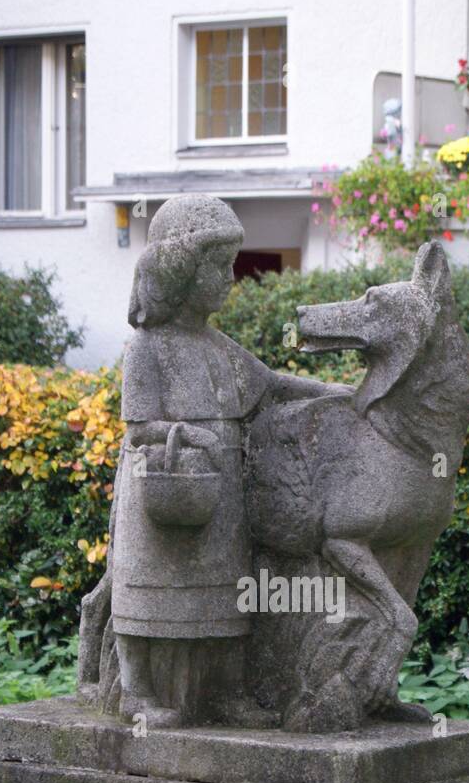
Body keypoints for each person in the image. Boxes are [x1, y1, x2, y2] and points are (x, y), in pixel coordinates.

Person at [109, 193, 336, 728]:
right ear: (183, 270)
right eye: (219, 266)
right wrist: (189, 436)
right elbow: (139, 427)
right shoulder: (147, 348)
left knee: (229, 588)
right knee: (144, 582)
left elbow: (274, 385)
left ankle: (226, 691)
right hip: (165, 476)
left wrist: (335, 393)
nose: (231, 277)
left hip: (222, 487)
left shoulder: (220, 347)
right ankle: (135, 691)